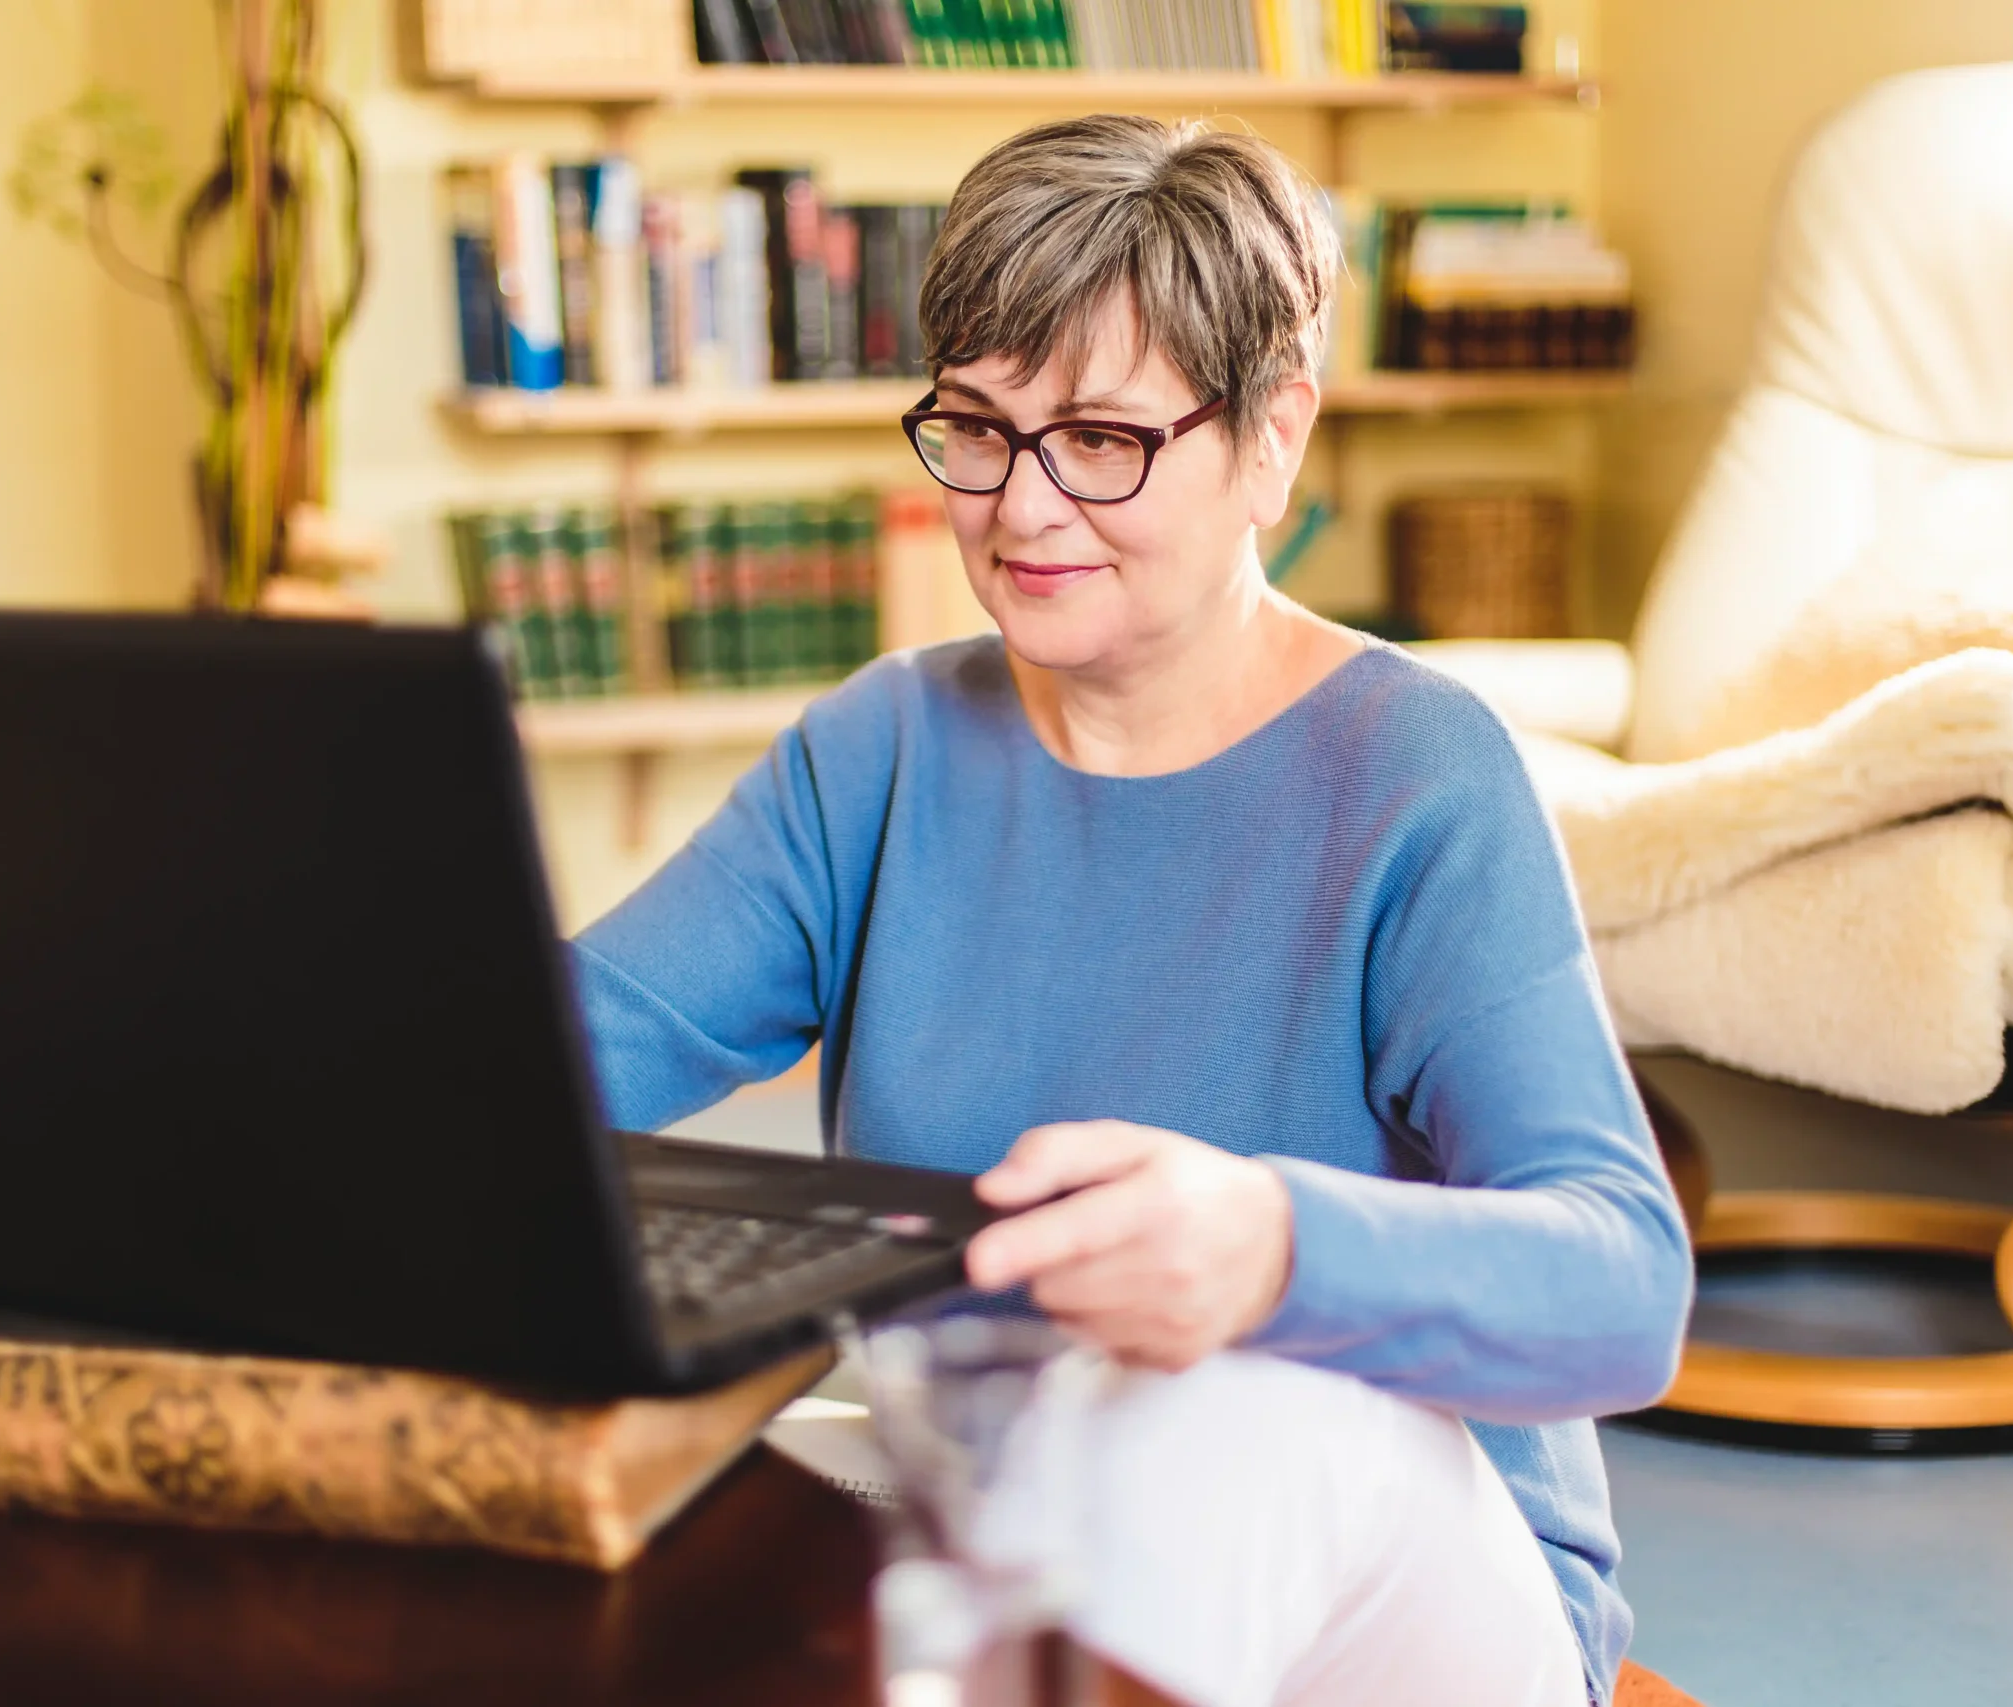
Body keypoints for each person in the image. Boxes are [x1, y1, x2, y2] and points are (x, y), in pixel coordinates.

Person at [570, 114, 1693, 1707]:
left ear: (1273, 437)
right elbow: (551, 1065)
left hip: (1409, 1596)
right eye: (976, 424)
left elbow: (1623, 1291)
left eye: (1100, 439)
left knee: (1234, 1394)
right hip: (1007, 1508)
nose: (1022, 508)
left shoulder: (1421, 773)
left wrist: (1273, 1250)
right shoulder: (883, 748)